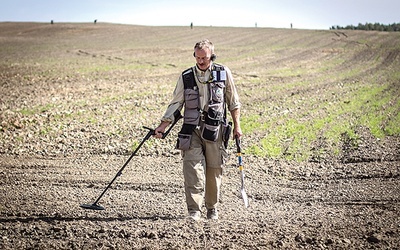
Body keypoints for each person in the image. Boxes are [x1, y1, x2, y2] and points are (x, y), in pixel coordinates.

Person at [154, 39, 242, 221]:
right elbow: (176, 102)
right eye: (198, 57)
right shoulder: (186, 76)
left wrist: (237, 126)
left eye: (205, 57)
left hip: (215, 129)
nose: (201, 61)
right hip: (191, 129)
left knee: (214, 170)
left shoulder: (223, 73)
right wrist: (163, 125)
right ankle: (194, 210)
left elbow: (233, 101)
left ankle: (212, 209)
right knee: (192, 169)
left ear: (212, 56)